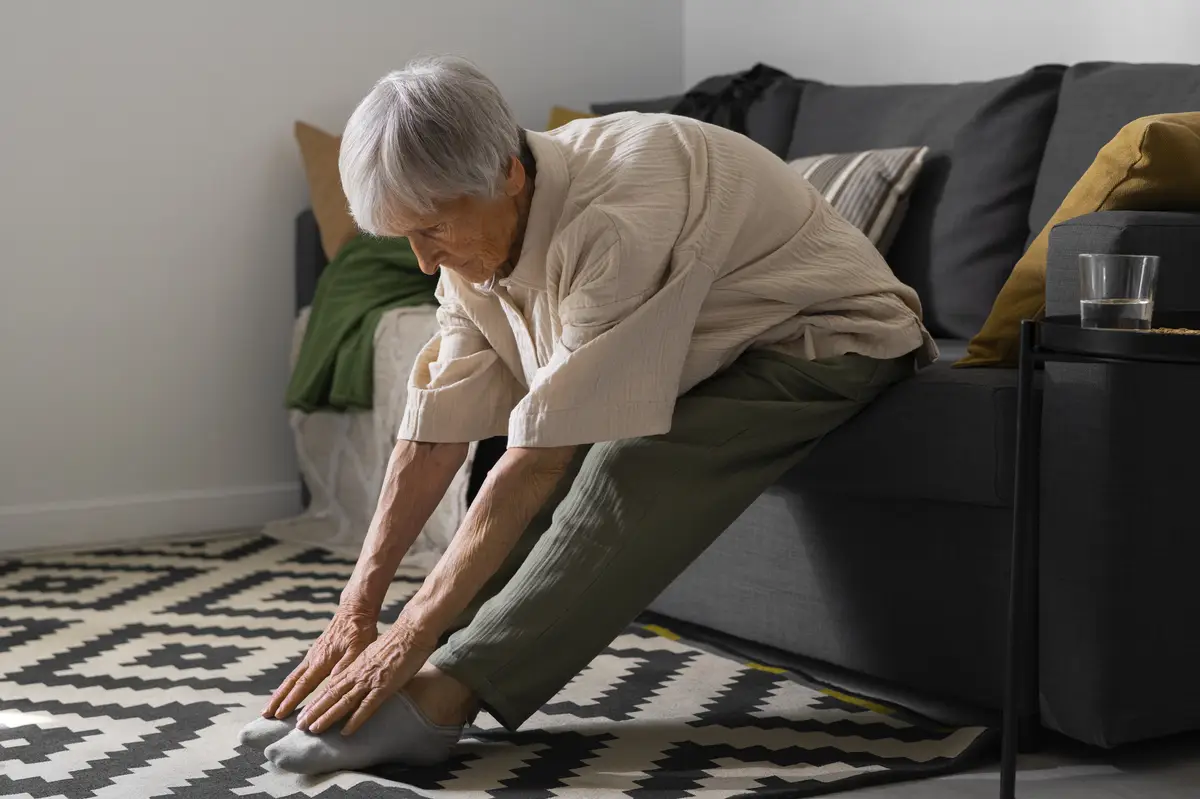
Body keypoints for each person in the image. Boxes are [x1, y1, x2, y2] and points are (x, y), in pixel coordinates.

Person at [241, 55, 937, 775]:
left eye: (434, 231)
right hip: (711, 345)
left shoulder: (613, 218)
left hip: (824, 336)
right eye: (406, 238)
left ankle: (437, 699)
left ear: (507, 173)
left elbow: (543, 454)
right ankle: (390, 686)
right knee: (504, 474)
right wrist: (357, 612)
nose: (424, 263)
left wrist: (411, 629)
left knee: (623, 463)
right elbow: (433, 434)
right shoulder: (470, 244)